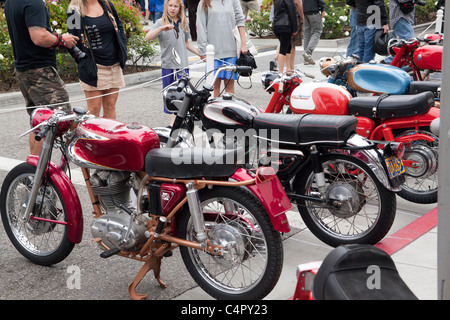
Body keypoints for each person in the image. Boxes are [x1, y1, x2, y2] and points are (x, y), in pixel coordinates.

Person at [5, 0, 79, 155]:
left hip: (25, 69)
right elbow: (39, 37)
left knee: (39, 122)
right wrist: (62, 40)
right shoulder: (34, 2)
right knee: (59, 120)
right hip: (40, 71)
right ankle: (39, 173)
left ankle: (34, 173)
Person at [67, 0, 128, 120]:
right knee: (93, 110)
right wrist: (83, 60)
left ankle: (109, 138)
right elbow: (71, 41)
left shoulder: (107, 4)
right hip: (93, 68)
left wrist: (123, 47)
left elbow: (119, 27)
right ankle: (88, 138)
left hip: (114, 65)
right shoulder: (74, 9)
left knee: (110, 107)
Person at [145, 0, 200, 115]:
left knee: (183, 97)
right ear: (166, 7)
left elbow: (186, 43)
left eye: (176, 6)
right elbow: (147, 37)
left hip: (182, 66)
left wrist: (200, 54)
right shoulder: (161, 22)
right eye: (170, 5)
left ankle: (175, 123)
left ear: (180, 8)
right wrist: (160, 29)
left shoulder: (184, 22)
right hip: (168, 66)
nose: (173, 8)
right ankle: (174, 123)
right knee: (170, 97)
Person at [197, 0, 248, 97]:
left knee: (229, 86)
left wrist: (243, 44)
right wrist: (203, 51)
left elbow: (240, 20)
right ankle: (214, 111)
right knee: (214, 86)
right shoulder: (204, 2)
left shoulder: (233, 1)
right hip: (213, 52)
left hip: (231, 50)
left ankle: (229, 111)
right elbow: (201, 27)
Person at [272, 0, 303, 74]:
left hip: (276, 25)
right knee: (283, 49)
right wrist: (295, 28)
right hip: (286, 25)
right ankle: (281, 71)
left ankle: (288, 69)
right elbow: (292, 13)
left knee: (288, 46)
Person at [302, 0, 325, 65]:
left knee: (307, 34)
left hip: (304, 11)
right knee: (317, 31)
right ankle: (308, 53)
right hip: (313, 11)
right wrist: (322, 9)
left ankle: (306, 59)